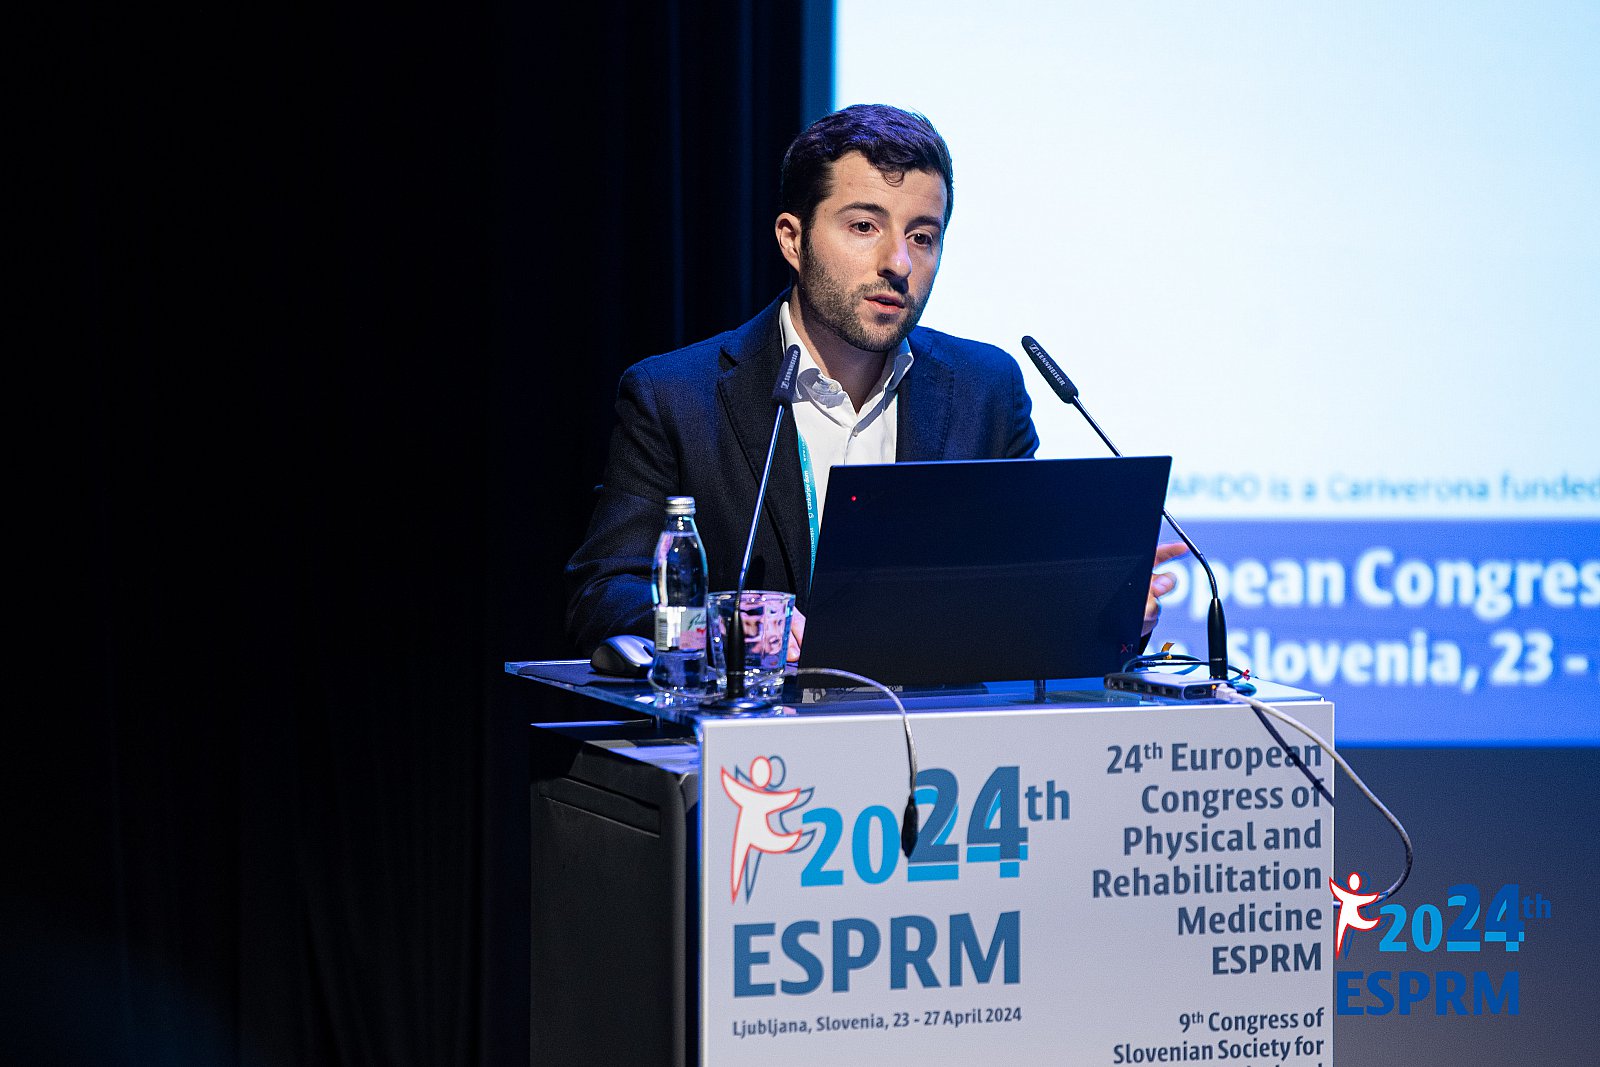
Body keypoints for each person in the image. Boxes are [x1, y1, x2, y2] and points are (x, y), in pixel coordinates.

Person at [565, 103, 1183, 659]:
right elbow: (603, 594)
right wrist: (725, 625)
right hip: (752, 737)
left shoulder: (985, 392)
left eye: (923, 236)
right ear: (793, 239)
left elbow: (1015, 590)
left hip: (939, 740)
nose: (899, 263)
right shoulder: (677, 397)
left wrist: (1103, 605)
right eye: (865, 226)